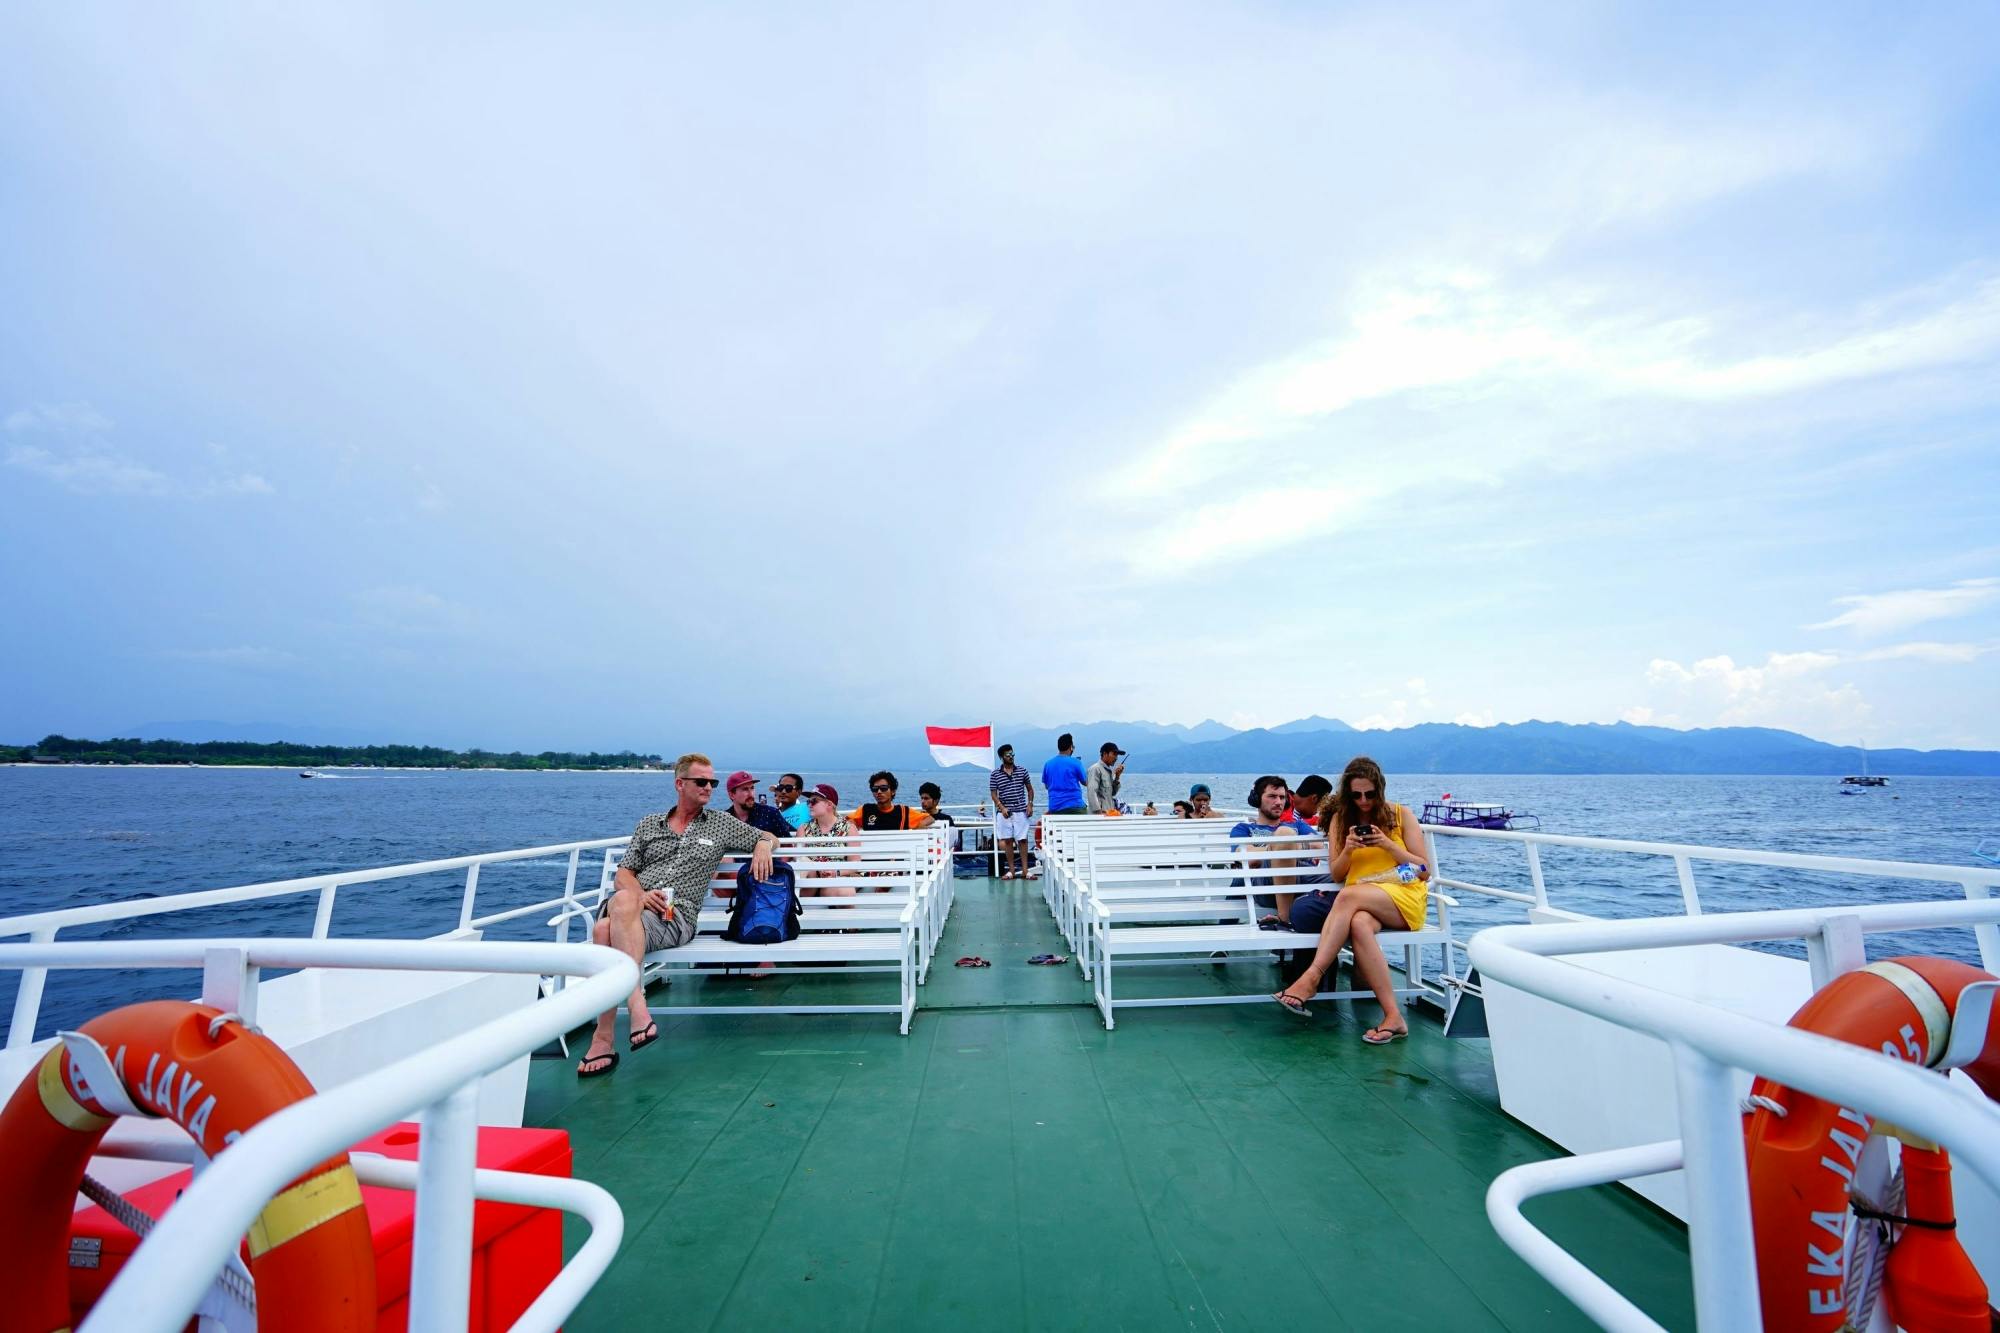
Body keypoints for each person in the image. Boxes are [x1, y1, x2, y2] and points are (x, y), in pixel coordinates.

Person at [577, 753, 779, 1076]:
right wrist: (642, 895)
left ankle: (603, 1037)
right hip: (633, 906)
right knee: (626, 899)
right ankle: (636, 1007)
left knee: (603, 932)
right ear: (679, 784)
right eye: (701, 782)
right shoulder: (649, 824)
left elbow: (768, 837)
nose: (709, 788)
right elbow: (623, 875)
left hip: (675, 916)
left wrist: (764, 846)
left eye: (712, 783)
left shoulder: (720, 824)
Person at [1274, 756, 1432, 1045]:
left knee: (1347, 896)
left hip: (1402, 896)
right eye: (1356, 794)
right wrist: (1347, 849)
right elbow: (1337, 872)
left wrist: (1387, 844)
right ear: (1348, 793)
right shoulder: (1340, 820)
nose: (1363, 801)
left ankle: (1311, 978)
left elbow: (1423, 870)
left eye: (1370, 794)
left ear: (1380, 790)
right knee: (1358, 923)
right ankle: (1393, 1017)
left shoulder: (1400, 815)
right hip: (1363, 899)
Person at [1230, 776, 1314, 919]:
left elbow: (1318, 846)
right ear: (1257, 799)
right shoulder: (1243, 829)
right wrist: (1282, 846)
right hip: (1266, 886)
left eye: (1282, 797)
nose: (1278, 802)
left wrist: (1283, 846)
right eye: (1272, 796)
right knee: (1285, 834)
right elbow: (1248, 857)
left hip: (1304, 881)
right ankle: (1284, 919)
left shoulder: (1298, 825)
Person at [794, 782, 859, 896]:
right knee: (803, 861)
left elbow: (855, 863)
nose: (809, 805)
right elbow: (798, 860)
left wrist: (835, 872)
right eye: (809, 801)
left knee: (846, 892)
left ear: (829, 804)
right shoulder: (803, 829)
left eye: (814, 801)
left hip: (834, 880)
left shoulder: (848, 828)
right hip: (809, 880)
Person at [988, 743, 1036, 881]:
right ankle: (1012, 870)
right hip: (1005, 812)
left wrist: (1030, 804)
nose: (1011, 757)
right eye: (1008, 755)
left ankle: (1025, 870)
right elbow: (993, 794)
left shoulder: (1022, 771)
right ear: (1002, 757)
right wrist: (1001, 807)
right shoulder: (995, 774)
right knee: (1007, 840)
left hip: (1021, 810)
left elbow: (1030, 789)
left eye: (1012, 754)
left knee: (1022, 840)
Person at [849, 770, 934, 831]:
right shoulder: (865, 810)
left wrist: (920, 826)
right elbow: (849, 821)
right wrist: (853, 826)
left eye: (883, 788)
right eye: (875, 789)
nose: (879, 792)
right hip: (871, 855)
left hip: (896, 855)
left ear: (893, 791)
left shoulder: (903, 812)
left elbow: (930, 818)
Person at [725, 770, 794, 839]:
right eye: (745, 789)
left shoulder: (770, 814)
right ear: (732, 795)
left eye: (752, 788)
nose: (751, 794)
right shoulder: (724, 820)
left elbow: (788, 843)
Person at [1042, 734, 1088, 815]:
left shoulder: (1048, 764)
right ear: (1071, 747)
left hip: (1055, 808)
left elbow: (1047, 786)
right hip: (1075, 807)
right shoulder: (1076, 762)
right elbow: (1086, 782)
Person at [1085, 742, 1125, 814]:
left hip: (1108, 813)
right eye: (1114, 754)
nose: (1116, 758)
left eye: (1117, 755)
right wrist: (1099, 813)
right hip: (1099, 816)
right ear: (1105, 754)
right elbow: (1092, 792)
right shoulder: (1095, 769)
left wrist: (1117, 777)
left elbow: (1112, 793)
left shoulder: (1108, 771)